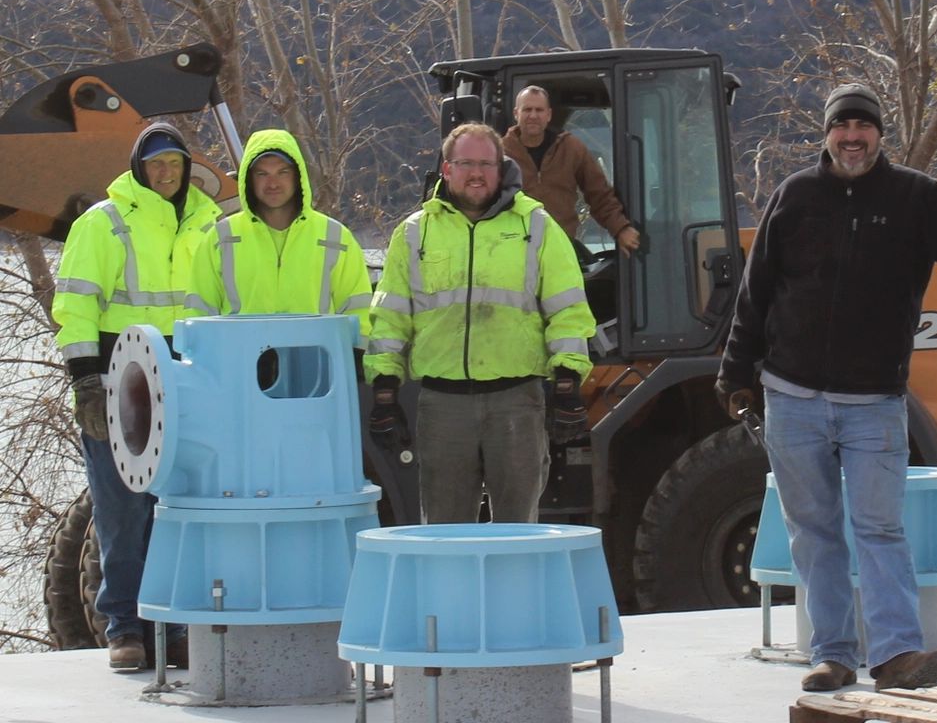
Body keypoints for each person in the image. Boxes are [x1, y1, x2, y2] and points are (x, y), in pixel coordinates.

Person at [714, 83, 937, 694]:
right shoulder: (794, 196)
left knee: (879, 528)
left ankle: (897, 655)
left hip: (875, 400)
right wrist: (735, 373)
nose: (852, 137)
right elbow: (756, 291)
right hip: (791, 396)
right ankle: (831, 655)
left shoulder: (918, 198)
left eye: (863, 126)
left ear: (880, 134)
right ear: (826, 134)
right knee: (815, 530)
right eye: (841, 127)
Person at [365, 122, 597, 524]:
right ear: (446, 169)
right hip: (443, 406)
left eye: (486, 164)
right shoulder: (415, 233)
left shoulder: (536, 227)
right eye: (466, 163)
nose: (477, 173)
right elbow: (390, 316)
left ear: (501, 167)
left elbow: (568, 310)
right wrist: (384, 390)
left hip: (516, 404)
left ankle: (513, 589)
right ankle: (451, 591)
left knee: (517, 529)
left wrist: (567, 383)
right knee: (444, 531)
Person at [52, 123, 221, 671]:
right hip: (119, 388)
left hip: (187, 387)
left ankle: (169, 628)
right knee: (120, 512)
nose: (165, 172)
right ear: (137, 167)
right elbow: (76, 305)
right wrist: (84, 382)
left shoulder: (211, 224)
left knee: (174, 512)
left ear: (187, 168)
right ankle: (124, 626)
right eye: (155, 163)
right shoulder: (103, 223)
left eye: (174, 162)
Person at [184, 130, 372, 358]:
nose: (273, 183)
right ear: (248, 179)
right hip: (240, 368)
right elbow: (200, 310)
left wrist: (359, 358)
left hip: (317, 371)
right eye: (262, 174)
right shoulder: (221, 237)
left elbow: (357, 307)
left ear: (298, 176)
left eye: (282, 172)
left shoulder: (334, 236)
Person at [500, 85, 641, 255]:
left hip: (561, 249)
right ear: (516, 113)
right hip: (513, 250)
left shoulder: (571, 149)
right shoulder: (499, 154)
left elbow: (599, 193)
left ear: (548, 115)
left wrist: (620, 229)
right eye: (527, 110)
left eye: (539, 110)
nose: (533, 116)